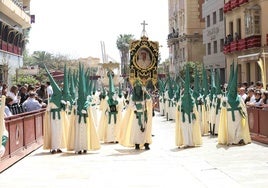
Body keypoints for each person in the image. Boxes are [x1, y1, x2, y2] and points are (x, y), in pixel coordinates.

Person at [218, 63, 251, 145]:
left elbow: (243, 105)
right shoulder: (226, 97)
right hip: (229, 114)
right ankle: (232, 140)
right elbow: (223, 107)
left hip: (238, 114)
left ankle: (239, 139)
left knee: (239, 127)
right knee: (231, 128)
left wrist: (244, 113)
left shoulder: (239, 98)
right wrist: (224, 102)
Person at [119, 79, 153, 150]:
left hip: (144, 114)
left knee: (146, 129)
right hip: (137, 115)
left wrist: (146, 92)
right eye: (136, 88)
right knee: (136, 130)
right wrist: (137, 108)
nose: (138, 90)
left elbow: (149, 100)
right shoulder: (132, 97)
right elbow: (131, 106)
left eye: (139, 88)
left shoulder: (144, 94)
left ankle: (146, 143)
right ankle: (137, 143)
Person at [175, 64, 202, 148]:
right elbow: (178, 107)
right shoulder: (181, 99)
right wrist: (179, 106)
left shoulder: (191, 99)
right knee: (184, 130)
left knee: (190, 129)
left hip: (190, 116)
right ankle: (186, 142)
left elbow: (194, 107)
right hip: (183, 117)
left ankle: (191, 142)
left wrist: (193, 113)